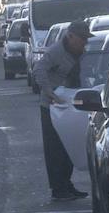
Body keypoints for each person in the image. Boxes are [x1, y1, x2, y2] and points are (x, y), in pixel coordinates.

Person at [32, 19, 91, 201]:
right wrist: (50, 93)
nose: (84, 43)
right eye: (81, 39)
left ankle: (67, 184)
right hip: (52, 107)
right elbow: (38, 69)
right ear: (70, 36)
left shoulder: (80, 51)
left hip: (71, 103)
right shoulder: (56, 51)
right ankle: (58, 188)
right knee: (55, 149)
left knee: (70, 146)